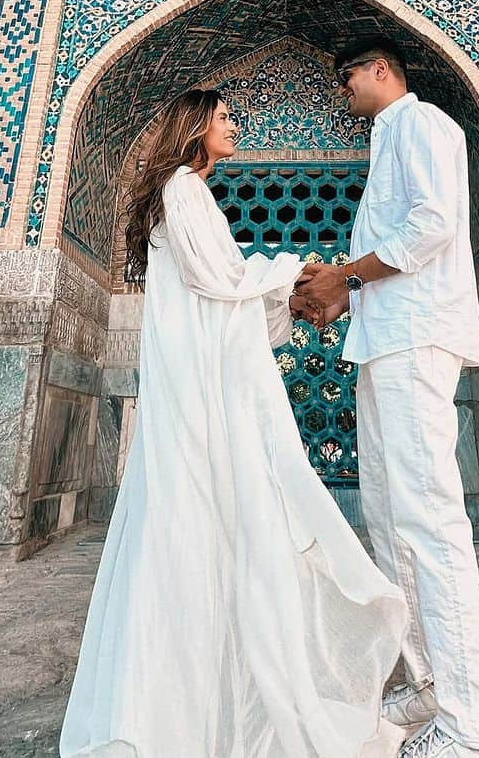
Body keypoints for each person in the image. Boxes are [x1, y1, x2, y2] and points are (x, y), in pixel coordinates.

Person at [60, 89, 407, 758]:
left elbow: (221, 291)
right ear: (194, 126)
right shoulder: (182, 188)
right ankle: (189, 709)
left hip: (198, 383)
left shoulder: (187, 192)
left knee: (202, 525)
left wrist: (286, 295)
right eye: (223, 118)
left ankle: (199, 699)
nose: (234, 126)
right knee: (206, 519)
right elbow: (221, 280)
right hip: (200, 393)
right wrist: (299, 274)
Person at [295, 38, 479, 758]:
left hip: (417, 342)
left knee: (429, 522)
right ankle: (431, 682)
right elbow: (388, 262)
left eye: (346, 74)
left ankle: (469, 725)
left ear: (382, 70)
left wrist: (345, 278)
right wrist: (338, 296)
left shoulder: (421, 124)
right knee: (388, 518)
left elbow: (432, 225)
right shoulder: (388, 141)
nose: (341, 88)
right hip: (386, 342)